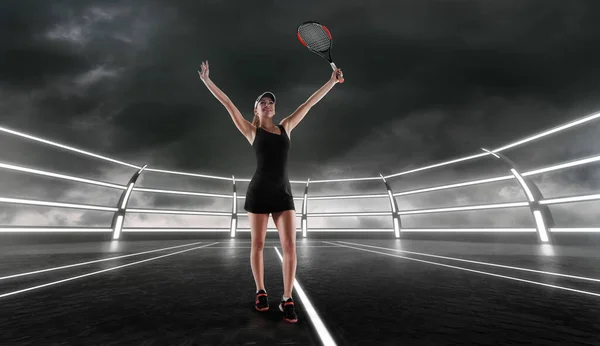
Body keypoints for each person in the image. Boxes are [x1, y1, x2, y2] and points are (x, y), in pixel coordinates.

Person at [198, 60, 342, 323]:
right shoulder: (251, 131)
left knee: (290, 246)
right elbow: (228, 103)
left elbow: (308, 104)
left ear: (275, 108)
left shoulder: (286, 127)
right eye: (262, 102)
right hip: (258, 193)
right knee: (258, 244)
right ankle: (261, 292)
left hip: (283, 194)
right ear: (256, 109)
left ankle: (287, 298)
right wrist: (208, 81)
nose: (268, 104)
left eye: (271, 102)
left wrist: (331, 81)